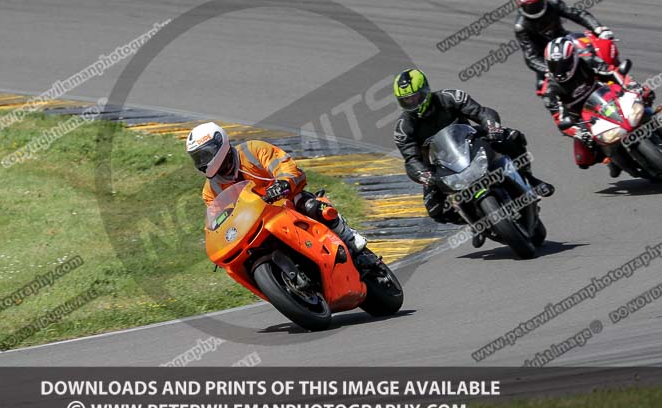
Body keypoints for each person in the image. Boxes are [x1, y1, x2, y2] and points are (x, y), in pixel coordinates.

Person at [392, 68, 554, 247]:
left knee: (512, 137)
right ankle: (473, 222)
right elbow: (411, 159)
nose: (411, 102)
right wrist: (423, 174)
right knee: (435, 210)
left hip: (470, 143)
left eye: (414, 97)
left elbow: (482, 112)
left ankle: (529, 178)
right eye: (406, 99)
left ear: (425, 90)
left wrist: (492, 127)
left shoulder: (450, 97)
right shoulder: (403, 128)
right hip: (439, 164)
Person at [186, 122, 379, 270]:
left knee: (311, 205)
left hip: (285, 204)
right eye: (197, 159)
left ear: (220, 144)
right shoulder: (210, 190)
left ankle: (348, 236)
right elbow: (218, 222)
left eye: (204, 155)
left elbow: (284, 165)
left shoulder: (253, 150)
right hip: (254, 227)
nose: (202, 163)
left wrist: (282, 183)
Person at [542, 36, 653, 177]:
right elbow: (559, 118)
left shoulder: (586, 60)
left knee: (644, 95)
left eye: (563, 64)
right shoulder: (550, 90)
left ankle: (657, 122)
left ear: (573, 58)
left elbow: (611, 71)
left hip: (606, 97)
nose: (559, 70)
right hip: (584, 119)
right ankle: (612, 161)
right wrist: (578, 132)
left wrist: (630, 84)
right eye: (554, 65)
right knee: (584, 157)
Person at [514, 0, 617, 94]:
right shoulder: (521, 26)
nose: (536, 8)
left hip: (566, 41)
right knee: (544, 89)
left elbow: (577, 14)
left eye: (537, 4)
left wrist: (598, 29)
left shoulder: (553, 3)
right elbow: (531, 57)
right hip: (547, 57)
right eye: (531, 6)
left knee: (597, 49)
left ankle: (619, 78)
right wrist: (548, 69)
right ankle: (563, 111)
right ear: (521, 5)